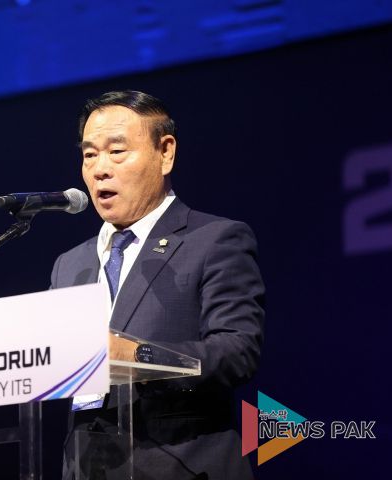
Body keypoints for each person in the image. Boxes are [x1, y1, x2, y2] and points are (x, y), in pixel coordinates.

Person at [50, 91, 265, 479]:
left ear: (165, 153)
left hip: (183, 465)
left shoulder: (214, 239)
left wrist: (139, 357)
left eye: (117, 151)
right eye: (89, 155)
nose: (100, 169)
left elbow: (237, 353)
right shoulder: (70, 264)